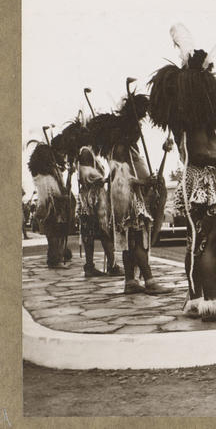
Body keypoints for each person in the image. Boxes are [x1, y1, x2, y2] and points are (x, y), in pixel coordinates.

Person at [148, 23, 216, 322]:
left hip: (201, 181)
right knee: (206, 242)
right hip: (203, 181)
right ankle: (211, 304)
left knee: (197, 243)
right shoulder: (193, 121)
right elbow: (200, 154)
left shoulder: (191, 118)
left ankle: (195, 301)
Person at [88, 93, 172, 295]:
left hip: (127, 200)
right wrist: (146, 182)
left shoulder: (123, 149)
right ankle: (150, 281)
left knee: (129, 241)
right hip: (131, 201)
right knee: (137, 238)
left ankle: (130, 280)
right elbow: (124, 178)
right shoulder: (120, 149)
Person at [77, 146, 123, 277]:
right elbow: (100, 182)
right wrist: (111, 174)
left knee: (92, 237)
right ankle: (111, 266)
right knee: (104, 235)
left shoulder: (83, 170)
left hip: (91, 207)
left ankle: (94, 266)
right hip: (94, 207)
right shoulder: (86, 172)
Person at [27, 143, 71, 269]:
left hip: (54, 208)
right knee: (53, 236)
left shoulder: (49, 174)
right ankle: (53, 260)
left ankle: (57, 257)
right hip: (50, 210)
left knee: (55, 235)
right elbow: (47, 195)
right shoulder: (42, 177)